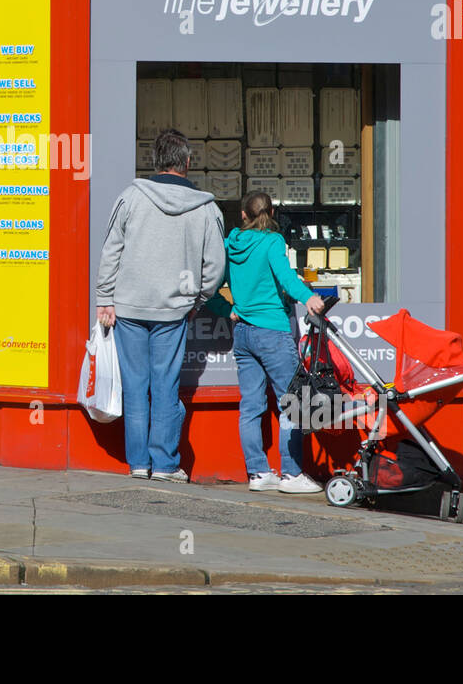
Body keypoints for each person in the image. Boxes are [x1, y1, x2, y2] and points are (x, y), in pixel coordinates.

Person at [96, 129, 226, 483]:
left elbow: (111, 252)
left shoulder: (130, 197)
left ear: (155, 161)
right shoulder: (206, 208)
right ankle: (166, 465)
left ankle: (138, 464)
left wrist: (104, 298)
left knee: (135, 387)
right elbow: (214, 267)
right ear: (186, 162)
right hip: (173, 311)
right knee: (165, 386)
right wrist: (197, 300)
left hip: (128, 308)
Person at [209, 191, 325, 494]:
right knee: (292, 403)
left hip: (243, 333)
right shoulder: (272, 241)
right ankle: (291, 474)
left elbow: (208, 286)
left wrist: (228, 309)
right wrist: (308, 297)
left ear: (244, 215)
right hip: (272, 331)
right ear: (270, 213)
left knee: (250, 407)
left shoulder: (230, 244)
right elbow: (285, 277)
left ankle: (258, 473)